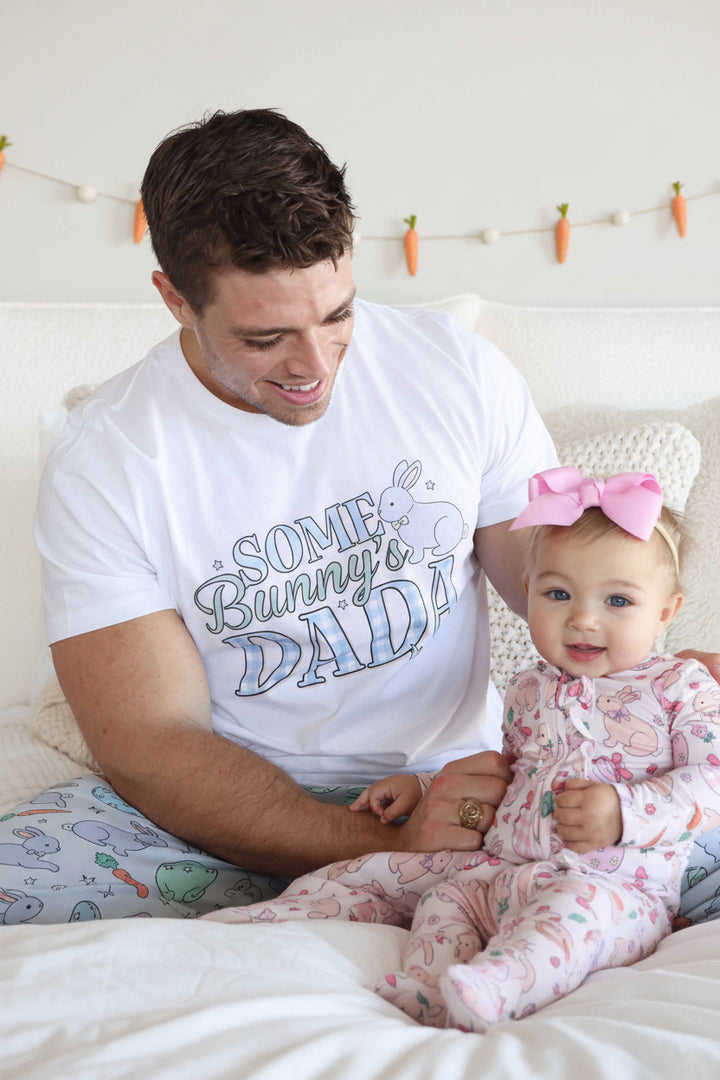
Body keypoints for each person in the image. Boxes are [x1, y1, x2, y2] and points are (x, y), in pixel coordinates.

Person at [0, 108, 553, 923]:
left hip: (459, 788)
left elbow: (553, 580)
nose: (314, 367)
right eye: (266, 338)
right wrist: (377, 847)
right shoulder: (109, 454)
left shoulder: (455, 370)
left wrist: (653, 665)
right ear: (173, 298)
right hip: (234, 811)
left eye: (337, 317)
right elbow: (151, 745)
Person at [202, 469, 720, 1032]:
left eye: (618, 600)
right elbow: (509, 780)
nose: (583, 619)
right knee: (440, 900)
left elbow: (710, 781)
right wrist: (421, 789)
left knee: (572, 917)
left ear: (665, 612)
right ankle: (421, 982)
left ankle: (499, 985)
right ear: (527, 593)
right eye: (558, 593)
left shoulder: (679, 687)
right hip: (502, 874)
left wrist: (626, 811)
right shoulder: (527, 688)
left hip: (615, 888)